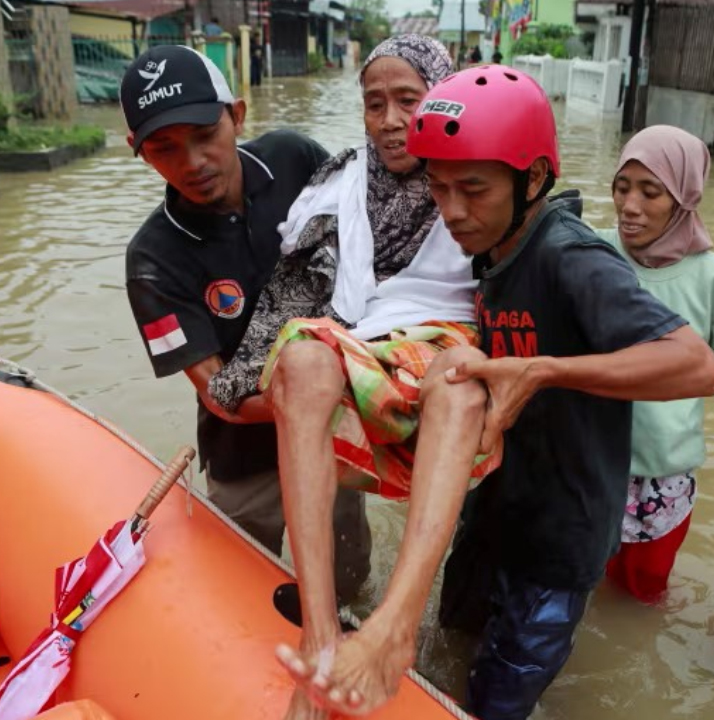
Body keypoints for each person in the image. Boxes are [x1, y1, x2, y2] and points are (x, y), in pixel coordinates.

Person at [414, 66, 714, 720]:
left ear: (532, 179)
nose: (452, 211)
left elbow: (695, 364)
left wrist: (547, 370)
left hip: (560, 536)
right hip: (493, 510)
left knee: (497, 700)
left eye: (473, 188)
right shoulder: (489, 247)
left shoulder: (570, 255)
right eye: (437, 188)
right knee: (448, 646)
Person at [205, 35, 490, 720]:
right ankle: (322, 634)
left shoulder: (480, 180)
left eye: (408, 102)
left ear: (443, 99)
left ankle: (394, 626)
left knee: (458, 375)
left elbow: (523, 287)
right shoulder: (337, 184)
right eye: (374, 104)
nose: (390, 121)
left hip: (445, 366)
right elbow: (292, 297)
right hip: (365, 366)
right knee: (302, 355)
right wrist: (247, 380)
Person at [119, 45, 371, 601]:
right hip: (245, 463)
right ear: (141, 155)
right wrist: (321, 400)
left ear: (237, 114)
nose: (192, 162)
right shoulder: (152, 260)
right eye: (164, 149)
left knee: (346, 583)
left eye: (205, 134)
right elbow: (216, 391)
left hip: (335, 438)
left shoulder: (294, 158)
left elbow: (366, 249)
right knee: (237, 598)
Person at [598, 125, 714, 604]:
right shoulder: (591, 252)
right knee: (572, 585)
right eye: (622, 187)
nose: (629, 205)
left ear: (684, 198)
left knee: (640, 596)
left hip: (662, 476)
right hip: (588, 460)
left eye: (650, 192)